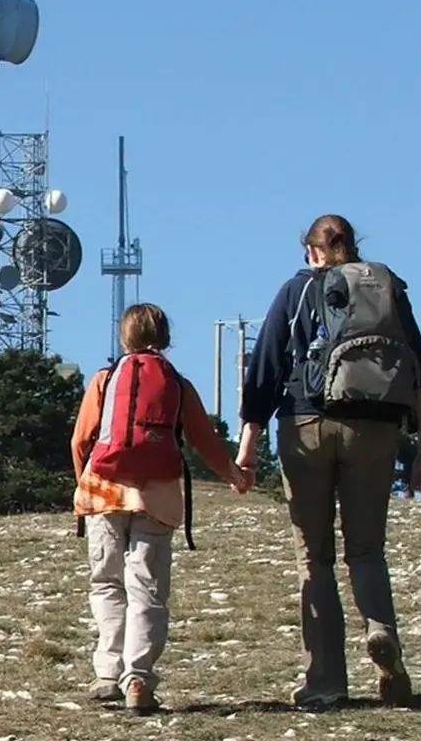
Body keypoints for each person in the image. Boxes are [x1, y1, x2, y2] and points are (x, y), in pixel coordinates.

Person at [236, 214, 421, 710]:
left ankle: (325, 680)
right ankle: (380, 631)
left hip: (306, 425)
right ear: (352, 246)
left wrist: (247, 444)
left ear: (311, 249)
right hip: (375, 428)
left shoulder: (296, 291)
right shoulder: (388, 290)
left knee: (315, 557)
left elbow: (264, 368)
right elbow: (420, 375)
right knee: (367, 550)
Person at [73, 303, 250, 715]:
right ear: (166, 338)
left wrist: (84, 482)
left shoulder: (105, 378)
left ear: (124, 337)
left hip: (105, 491)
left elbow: (81, 440)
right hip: (159, 494)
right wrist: (234, 475)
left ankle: (106, 672)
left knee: (106, 583)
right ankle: (138, 679)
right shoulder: (178, 383)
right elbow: (204, 441)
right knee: (147, 590)